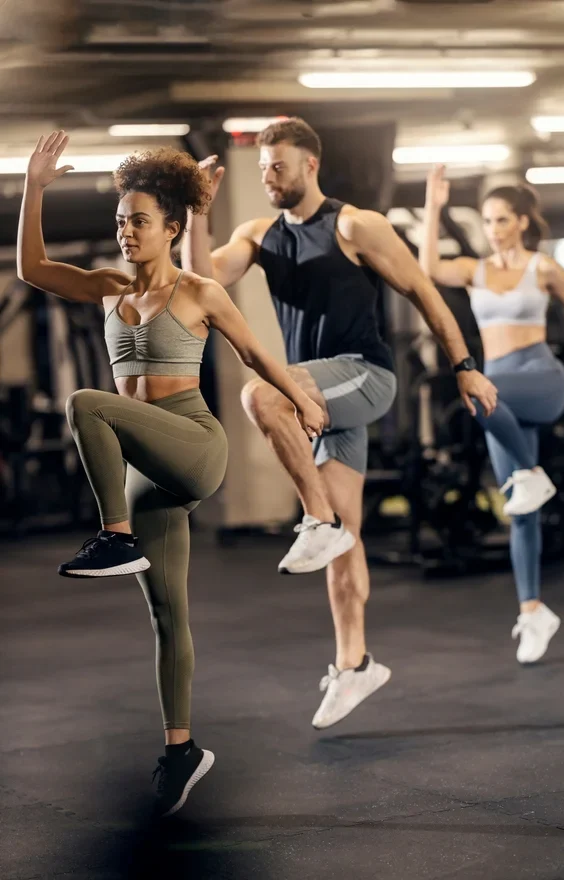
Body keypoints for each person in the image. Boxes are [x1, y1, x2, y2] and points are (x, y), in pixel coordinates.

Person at [17, 130, 324, 817]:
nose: (126, 232)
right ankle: (182, 747)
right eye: (121, 221)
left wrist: (301, 398)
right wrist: (35, 188)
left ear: (172, 228)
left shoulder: (200, 291)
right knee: (167, 615)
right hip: (142, 468)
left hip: (192, 443)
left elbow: (255, 356)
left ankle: (114, 534)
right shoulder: (105, 288)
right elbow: (34, 268)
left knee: (85, 403)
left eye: (141, 222)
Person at [181, 117, 498, 729]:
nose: (269, 176)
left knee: (261, 397)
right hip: (319, 393)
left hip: (364, 375)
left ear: (310, 166)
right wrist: (198, 212)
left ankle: (316, 517)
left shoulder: (356, 225)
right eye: (263, 168)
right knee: (346, 538)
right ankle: (354, 664)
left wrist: (463, 366)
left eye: (279, 165)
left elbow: (425, 294)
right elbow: (200, 282)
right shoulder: (260, 233)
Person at [420, 165, 564, 664]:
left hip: (538, 379)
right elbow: (428, 266)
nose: (492, 229)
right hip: (499, 393)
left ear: (520, 222)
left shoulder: (543, 268)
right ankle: (533, 611)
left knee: (474, 393)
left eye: (499, 220)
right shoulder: (474, 270)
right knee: (520, 507)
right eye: (486, 221)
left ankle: (533, 475)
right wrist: (433, 204)